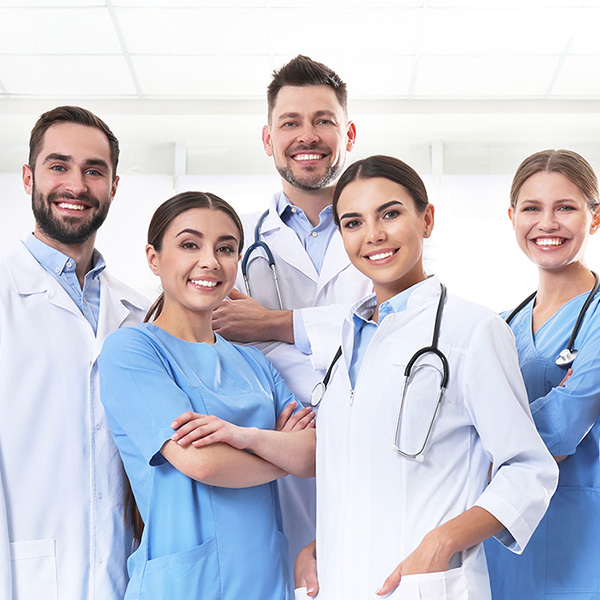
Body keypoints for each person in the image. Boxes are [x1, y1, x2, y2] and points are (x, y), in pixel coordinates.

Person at [295, 155, 559, 600]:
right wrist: (321, 545)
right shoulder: (346, 345)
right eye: (353, 223)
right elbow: (365, 469)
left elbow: (528, 470)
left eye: (390, 214)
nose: (374, 235)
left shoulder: (471, 330)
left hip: (423, 585)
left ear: (427, 218)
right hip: (340, 582)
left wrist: (442, 542)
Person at [98, 191, 316, 599]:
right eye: (189, 244)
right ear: (154, 258)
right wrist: (282, 454)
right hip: (183, 585)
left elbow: (313, 453)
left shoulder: (255, 362)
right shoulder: (133, 350)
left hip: (266, 580)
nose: (210, 261)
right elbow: (202, 461)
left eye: (226, 248)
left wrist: (244, 438)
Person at [212, 54, 371, 568]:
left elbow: (403, 331)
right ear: (268, 139)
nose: (308, 135)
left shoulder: (387, 231)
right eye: (291, 123)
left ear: (348, 133)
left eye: (323, 121)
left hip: (373, 451)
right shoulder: (232, 244)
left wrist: (275, 323)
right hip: (278, 456)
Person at [0, 106, 148, 600]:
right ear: (28, 177)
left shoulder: (139, 310)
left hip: (121, 573)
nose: (77, 185)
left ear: (113, 185)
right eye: (58, 166)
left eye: (94, 170)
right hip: (23, 570)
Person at [484, 150, 600, 599]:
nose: (547, 223)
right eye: (532, 208)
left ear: (593, 218)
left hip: (579, 536)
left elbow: (565, 424)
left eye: (565, 208)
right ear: (513, 217)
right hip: (502, 537)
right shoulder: (499, 325)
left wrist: (495, 441)